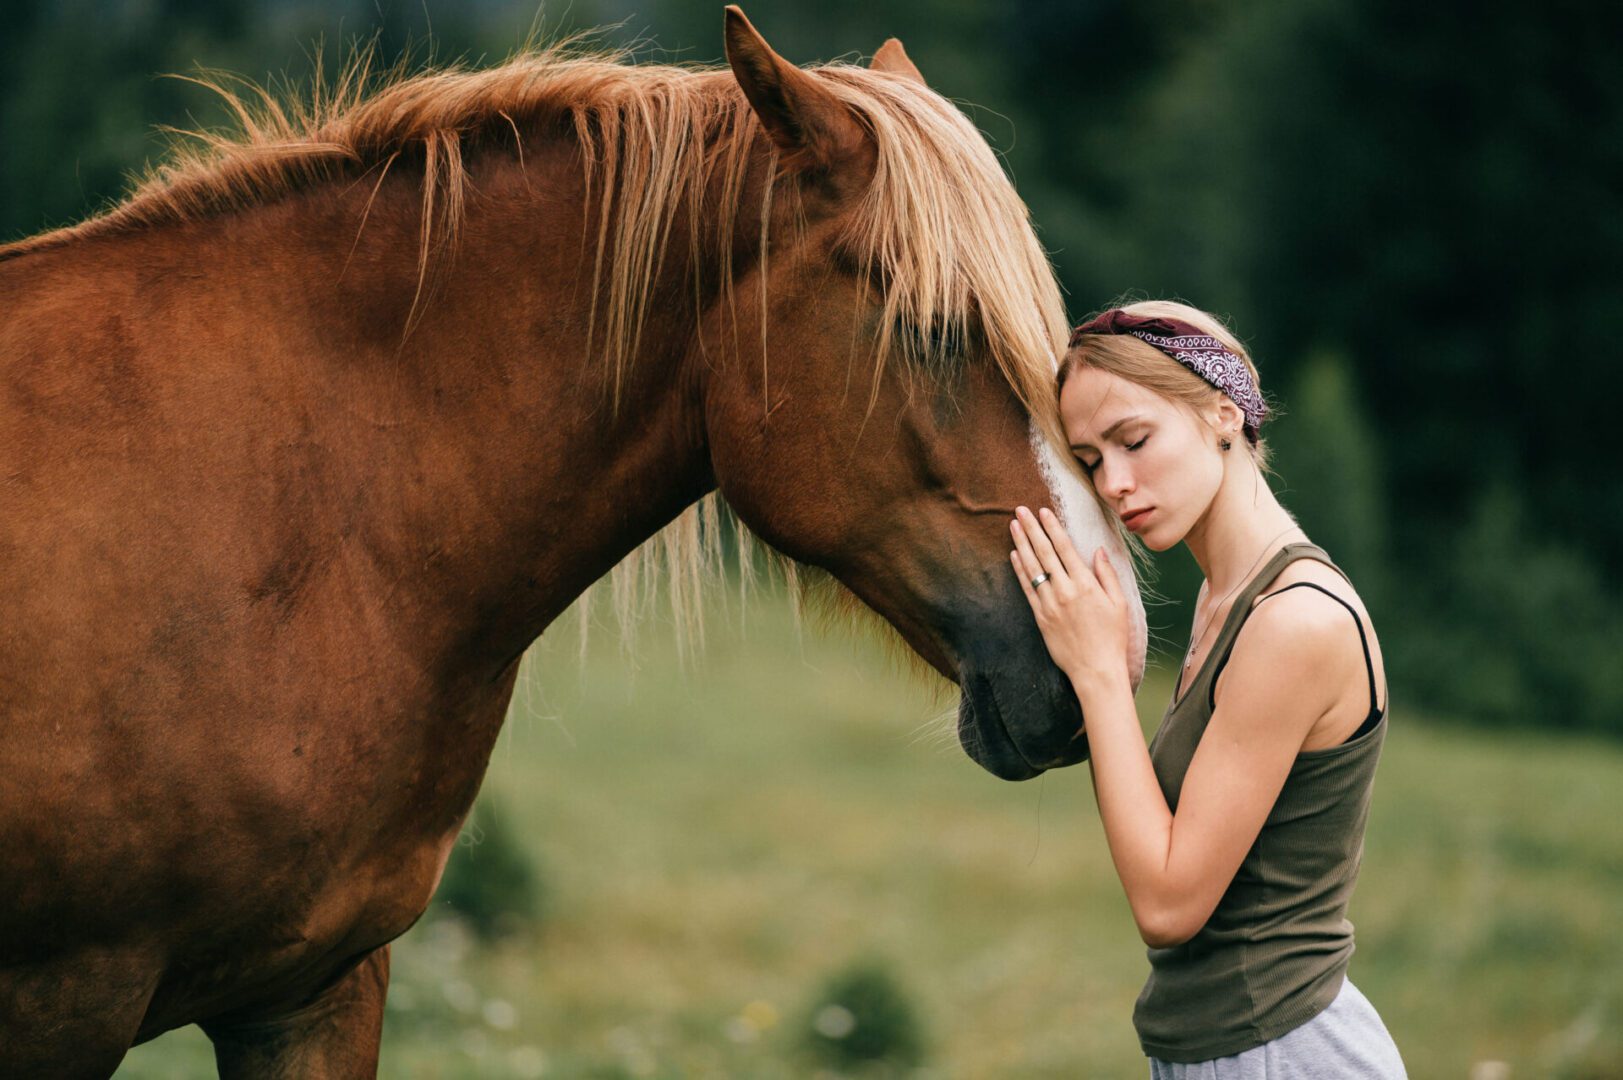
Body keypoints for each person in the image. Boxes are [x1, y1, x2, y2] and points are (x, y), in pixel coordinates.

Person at [1008, 300, 1407, 1077]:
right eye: (1090, 461)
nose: (1114, 484)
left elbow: (1167, 906)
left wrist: (1096, 673)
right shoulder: (1224, 598)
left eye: (1133, 440)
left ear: (1221, 415)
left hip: (1280, 1052)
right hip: (1229, 1048)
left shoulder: (1293, 622)